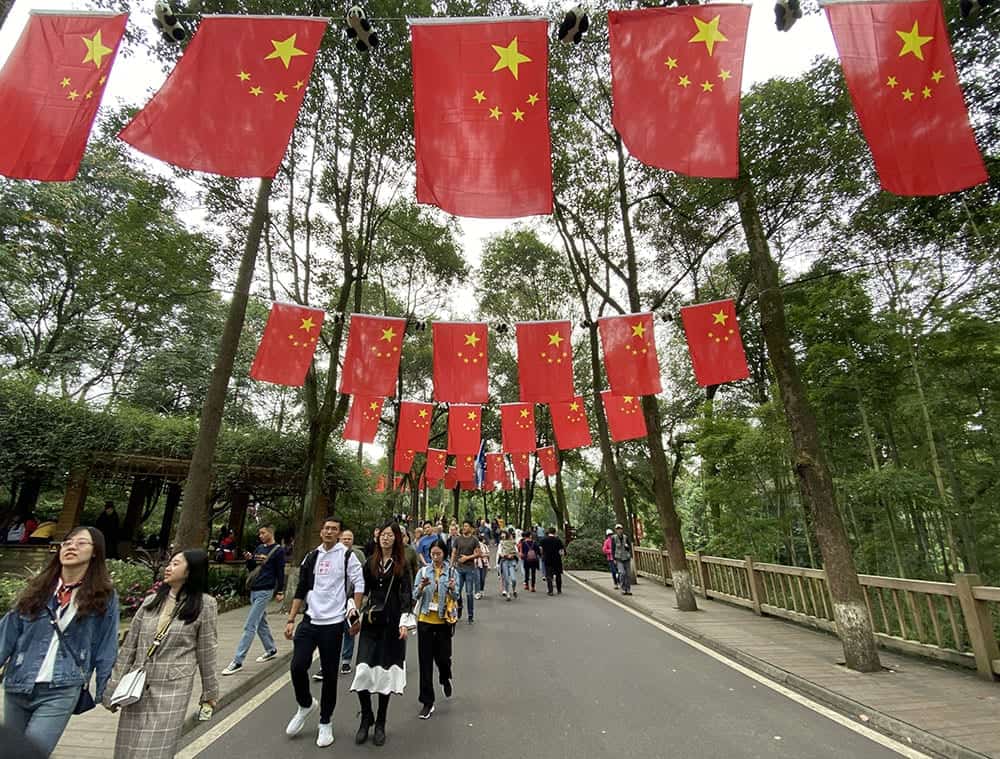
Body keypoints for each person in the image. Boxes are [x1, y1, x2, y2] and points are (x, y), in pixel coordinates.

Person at [0, 527, 118, 757]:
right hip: (18, 681)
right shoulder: (38, 587)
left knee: (33, 753)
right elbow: (7, 633)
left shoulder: (104, 595)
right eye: (67, 542)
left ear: (95, 552)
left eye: (81, 543)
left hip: (62, 688)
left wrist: (105, 689)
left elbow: (106, 646)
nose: (71, 546)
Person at [105, 549, 218, 759]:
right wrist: (112, 688)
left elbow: (207, 653)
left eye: (176, 564)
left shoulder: (205, 605)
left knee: (154, 751)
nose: (168, 567)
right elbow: (129, 648)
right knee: (127, 750)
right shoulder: (150, 602)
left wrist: (209, 693)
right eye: (170, 563)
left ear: (190, 571)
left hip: (173, 689)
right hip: (137, 688)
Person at [284, 516, 364, 748]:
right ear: (321, 531)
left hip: (334, 623)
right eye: (326, 528)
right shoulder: (311, 557)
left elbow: (359, 584)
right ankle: (306, 703)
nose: (329, 532)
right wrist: (291, 618)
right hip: (310, 621)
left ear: (339, 534)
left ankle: (325, 721)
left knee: (330, 675)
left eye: (334, 529)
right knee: (297, 666)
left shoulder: (347, 556)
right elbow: (301, 588)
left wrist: (354, 612)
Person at [350, 523, 414, 747]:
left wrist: (405, 622)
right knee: (363, 671)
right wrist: (353, 613)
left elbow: (407, 593)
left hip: (392, 622)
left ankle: (380, 722)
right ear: (378, 538)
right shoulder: (370, 562)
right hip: (370, 622)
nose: (386, 538)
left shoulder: (402, 564)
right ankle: (366, 715)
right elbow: (359, 589)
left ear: (397, 539)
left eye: (390, 535)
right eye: (383, 535)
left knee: (385, 674)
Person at [221, 525, 285, 675]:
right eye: (260, 533)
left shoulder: (278, 550)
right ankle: (270, 649)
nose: (260, 535)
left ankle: (238, 660)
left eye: (263, 533)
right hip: (254, 588)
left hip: (265, 590)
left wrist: (280, 590)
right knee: (261, 621)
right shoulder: (259, 548)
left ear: (271, 532)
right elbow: (252, 568)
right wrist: (249, 559)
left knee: (250, 625)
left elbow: (280, 572)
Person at [412, 539, 457, 720]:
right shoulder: (423, 571)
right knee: (425, 662)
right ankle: (427, 701)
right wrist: (421, 586)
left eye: (438, 554)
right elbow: (415, 594)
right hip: (425, 620)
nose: (435, 557)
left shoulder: (451, 572)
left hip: (443, 622)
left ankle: (445, 677)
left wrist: (453, 589)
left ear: (444, 554)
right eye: (433, 554)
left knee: (444, 659)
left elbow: (456, 596)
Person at [450, 520, 480, 624]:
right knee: (457, 592)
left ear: (471, 528)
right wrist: (451, 564)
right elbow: (453, 552)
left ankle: (470, 615)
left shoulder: (474, 540)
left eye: (466, 526)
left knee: (469, 593)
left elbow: (478, 554)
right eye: (463, 526)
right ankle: (459, 608)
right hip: (459, 569)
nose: (464, 528)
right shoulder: (458, 539)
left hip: (470, 569)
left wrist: (467, 557)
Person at [539, 527, 566, 595]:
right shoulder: (558, 540)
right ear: (555, 532)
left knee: (549, 575)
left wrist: (543, 554)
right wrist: (561, 556)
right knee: (558, 575)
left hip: (547, 559)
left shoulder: (544, 540)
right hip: (557, 559)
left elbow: (541, 549)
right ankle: (559, 590)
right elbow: (561, 551)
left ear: (548, 532)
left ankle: (550, 591)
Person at [612, 524, 633, 596]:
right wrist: (613, 559)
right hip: (619, 558)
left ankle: (628, 589)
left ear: (622, 529)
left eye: (620, 529)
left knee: (628, 574)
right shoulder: (613, 538)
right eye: (617, 529)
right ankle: (623, 588)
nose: (619, 530)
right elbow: (613, 549)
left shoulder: (625, 537)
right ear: (616, 530)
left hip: (626, 558)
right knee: (622, 573)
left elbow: (629, 547)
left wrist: (627, 547)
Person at [497, 529, 519, 600]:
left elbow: (516, 551)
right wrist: (504, 556)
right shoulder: (501, 544)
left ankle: (514, 590)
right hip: (504, 561)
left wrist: (512, 555)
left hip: (512, 561)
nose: (503, 536)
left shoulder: (512, 543)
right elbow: (499, 553)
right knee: (506, 578)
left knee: (513, 579)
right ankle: (508, 594)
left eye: (504, 534)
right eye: (501, 534)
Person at [474, 534, 490, 600]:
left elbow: (488, 555)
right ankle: (477, 592)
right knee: (477, 579)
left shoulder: (485, 546)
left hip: (484, 564)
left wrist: (488, 564)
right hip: (476, 564)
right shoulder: (474, 547)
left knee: (482, 579)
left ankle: (481, 590)